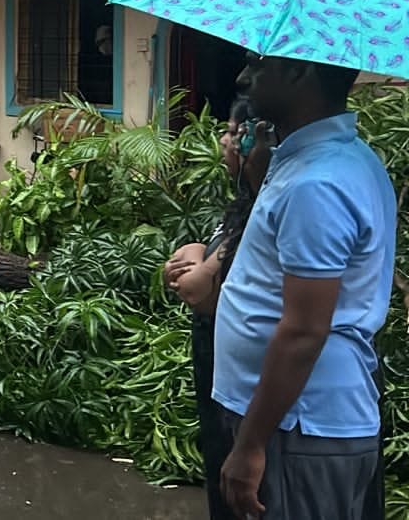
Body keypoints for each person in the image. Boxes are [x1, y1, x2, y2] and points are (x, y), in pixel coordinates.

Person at [214, 54, 392, 520]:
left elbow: (304, 330)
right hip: (290, 422)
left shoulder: (318, 182)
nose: (243, 77)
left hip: (297, 427)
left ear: (302, 72)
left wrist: (251, 444)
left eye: (260, 65)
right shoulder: (323, 159)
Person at [163, 99, 270, 520]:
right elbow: (190, 269)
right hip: (218, 369)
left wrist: (202, 264)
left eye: (230, 131)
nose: (224, 141)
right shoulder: (242, 202)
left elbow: (196, 291)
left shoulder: (264, 206)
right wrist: (195, 254)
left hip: (244, 383)